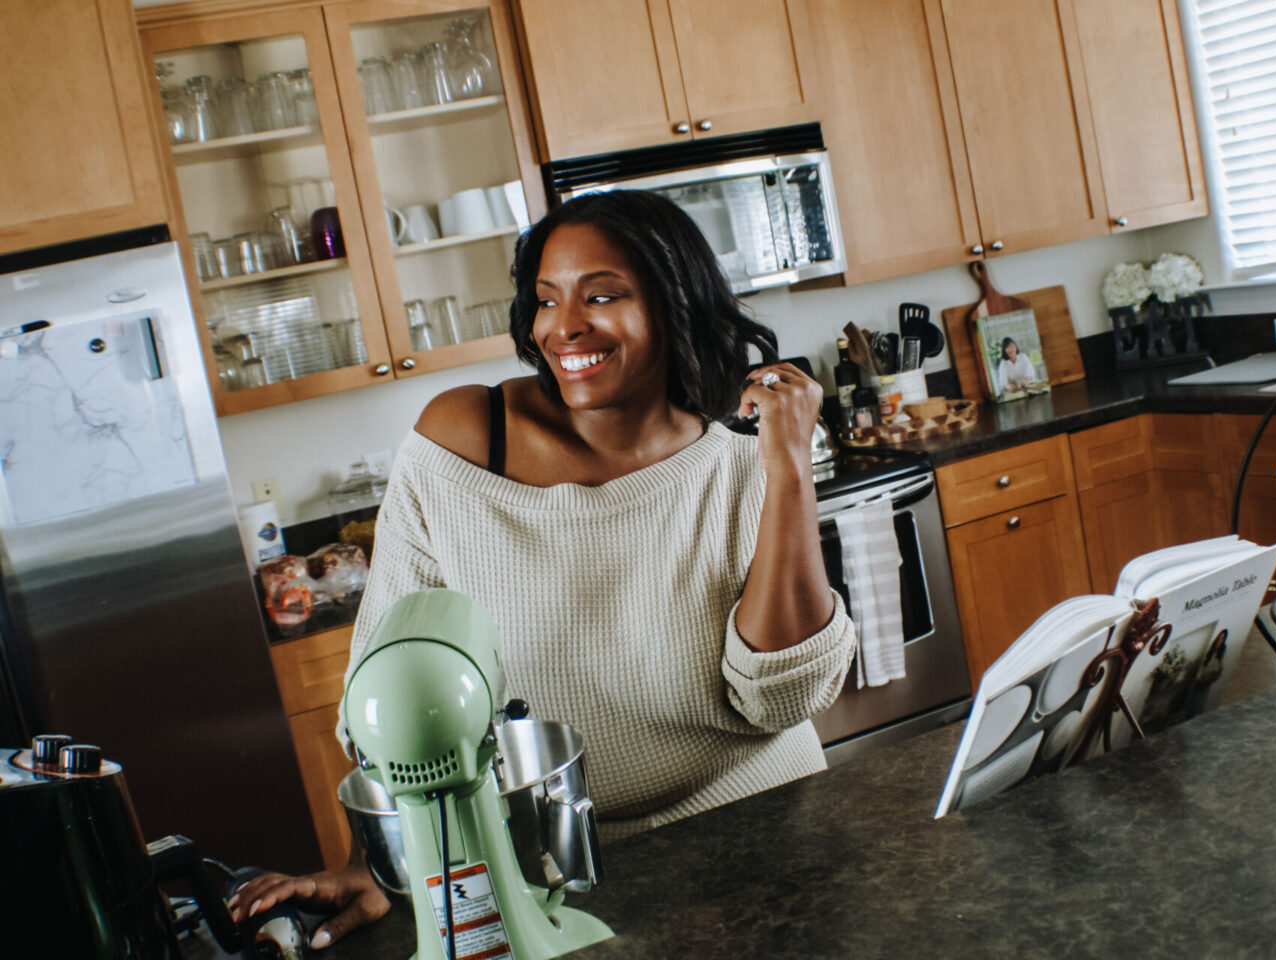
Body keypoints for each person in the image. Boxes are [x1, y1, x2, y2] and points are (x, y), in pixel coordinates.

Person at [228, 190, 856, 949]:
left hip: (764, 832)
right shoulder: (463, 443)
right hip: (548, 875)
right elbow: (388, 686)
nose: (565, 327)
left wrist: (789, 463)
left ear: (675, 304)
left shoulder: (740, 461)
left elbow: (783, 696)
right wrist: (383, 860)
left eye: (603, 295)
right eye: (547, 300)